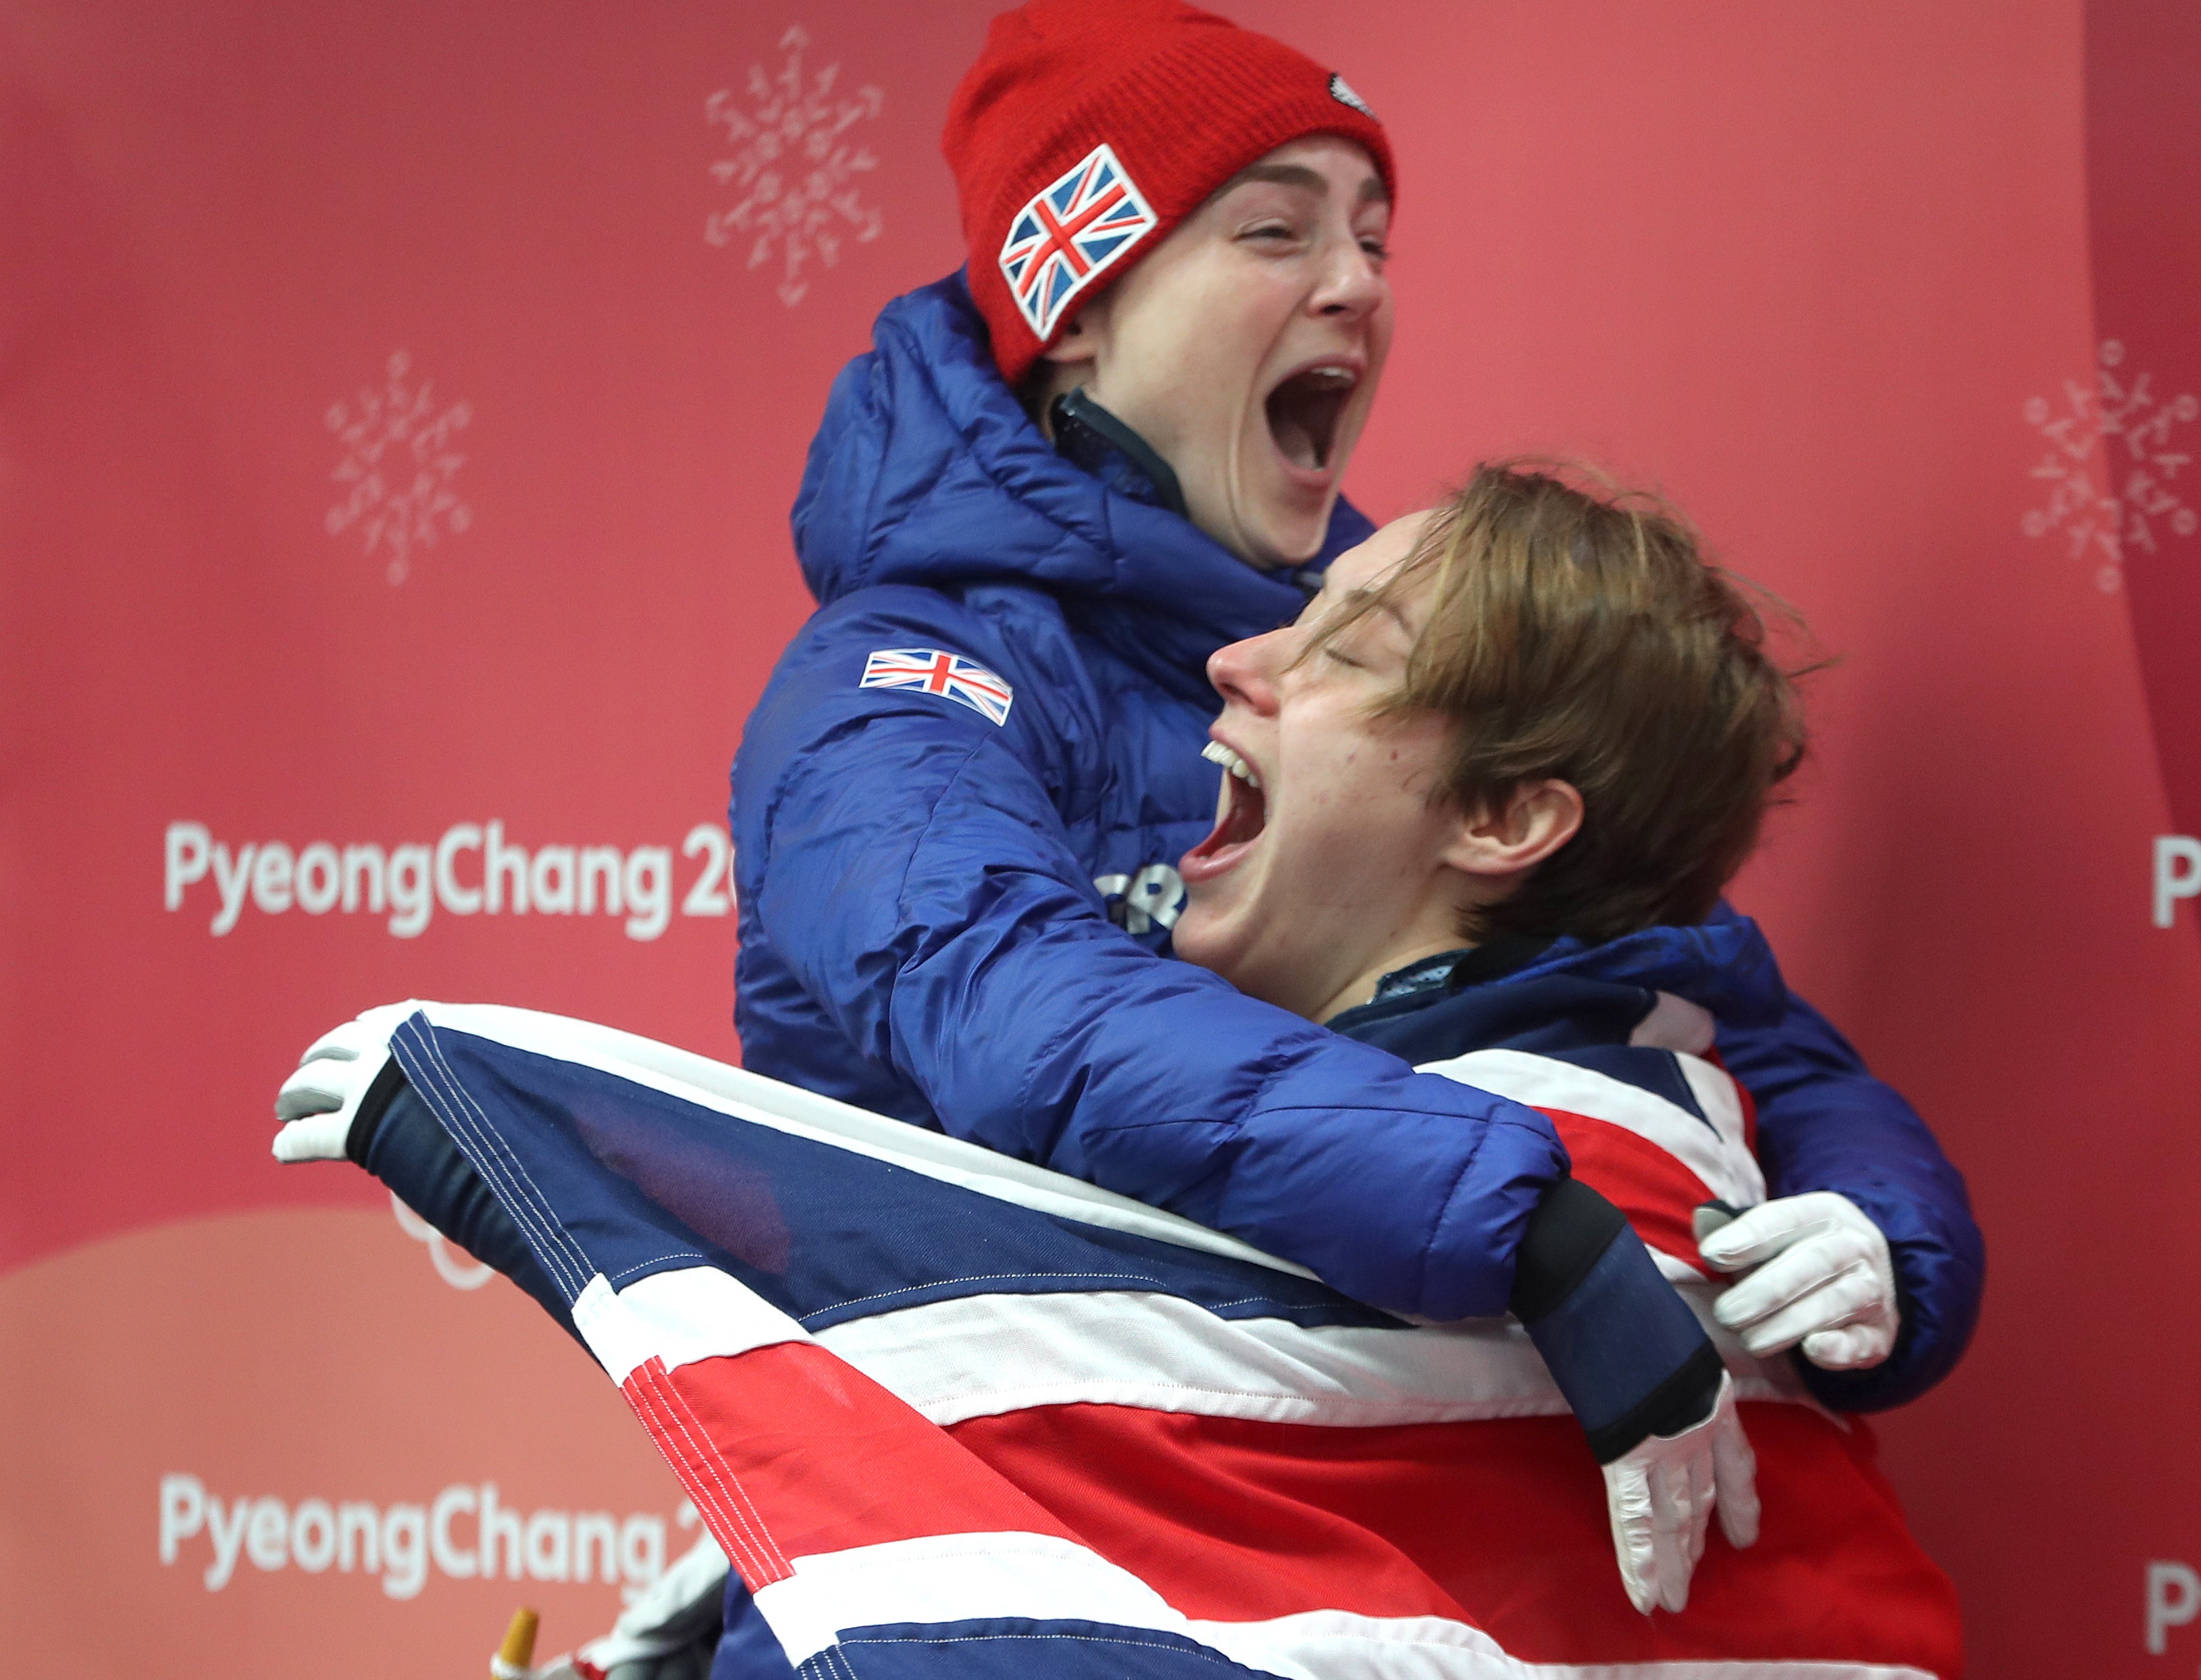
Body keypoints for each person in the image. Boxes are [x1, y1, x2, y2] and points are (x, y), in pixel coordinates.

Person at [275, 0, 1981, 1660]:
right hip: (1026, 1535)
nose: (1357, 286)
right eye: (1273, 228)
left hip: (1325, 1552)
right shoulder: (900, 677)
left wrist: (1884, 1245)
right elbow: (1002, 993)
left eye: (1376, 237)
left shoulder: (1396, 635)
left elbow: (1707, 1001)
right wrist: (1521, 1223)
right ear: (1077, 307)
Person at [1160, 461, 1961, 1671]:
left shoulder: (1599, 1155)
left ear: (1503, 822)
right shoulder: (1601, 1083)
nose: (1238, 661)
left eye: (1349, 653)